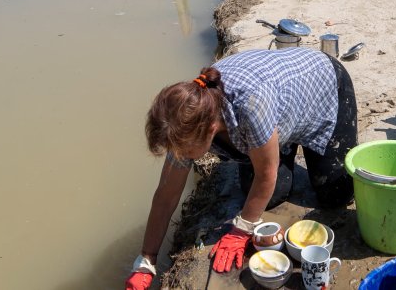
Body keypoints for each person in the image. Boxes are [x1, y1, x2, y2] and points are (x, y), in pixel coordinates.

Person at [125, 48, 358, 289]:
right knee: (268, 196)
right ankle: (281, 143)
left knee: (335, 195)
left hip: (322, 88)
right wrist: (146, 259)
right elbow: (166, 195)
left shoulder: (249, 105)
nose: (179, 156)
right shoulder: (186, 117)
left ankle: (284, 141)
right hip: (277, 108)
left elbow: (266, 174)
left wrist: (241, 230)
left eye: (183, 151)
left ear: (211, 128)